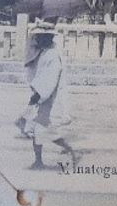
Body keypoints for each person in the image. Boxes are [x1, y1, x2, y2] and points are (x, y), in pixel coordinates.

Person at [22, 20, 76, 169]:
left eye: (41, 37)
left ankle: (68, 150)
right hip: (41, 96)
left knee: (43, 130)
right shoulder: (44, 52)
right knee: (37, 129)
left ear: (48, 38)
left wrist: (39, 94)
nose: (37, 39)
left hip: (48, 98)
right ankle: (39, 160)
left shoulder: (53, 55)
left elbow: (50, 79)